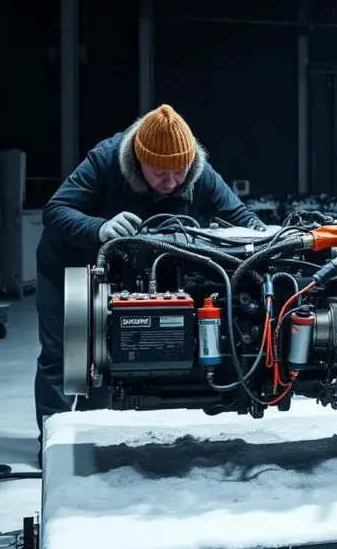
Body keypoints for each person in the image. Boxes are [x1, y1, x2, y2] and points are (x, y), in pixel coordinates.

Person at [33, 104, 264, 462]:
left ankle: (95, 437)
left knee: (108, 357)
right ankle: (51, 448)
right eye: (160, 174)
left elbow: (246, 221)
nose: (172, 183)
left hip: (127, 270)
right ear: (138, 161)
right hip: (71, 263)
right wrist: (100, 228)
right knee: (64, 357)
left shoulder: (199, 172)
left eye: (180, 172)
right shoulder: (107, 159)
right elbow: (55, 211)